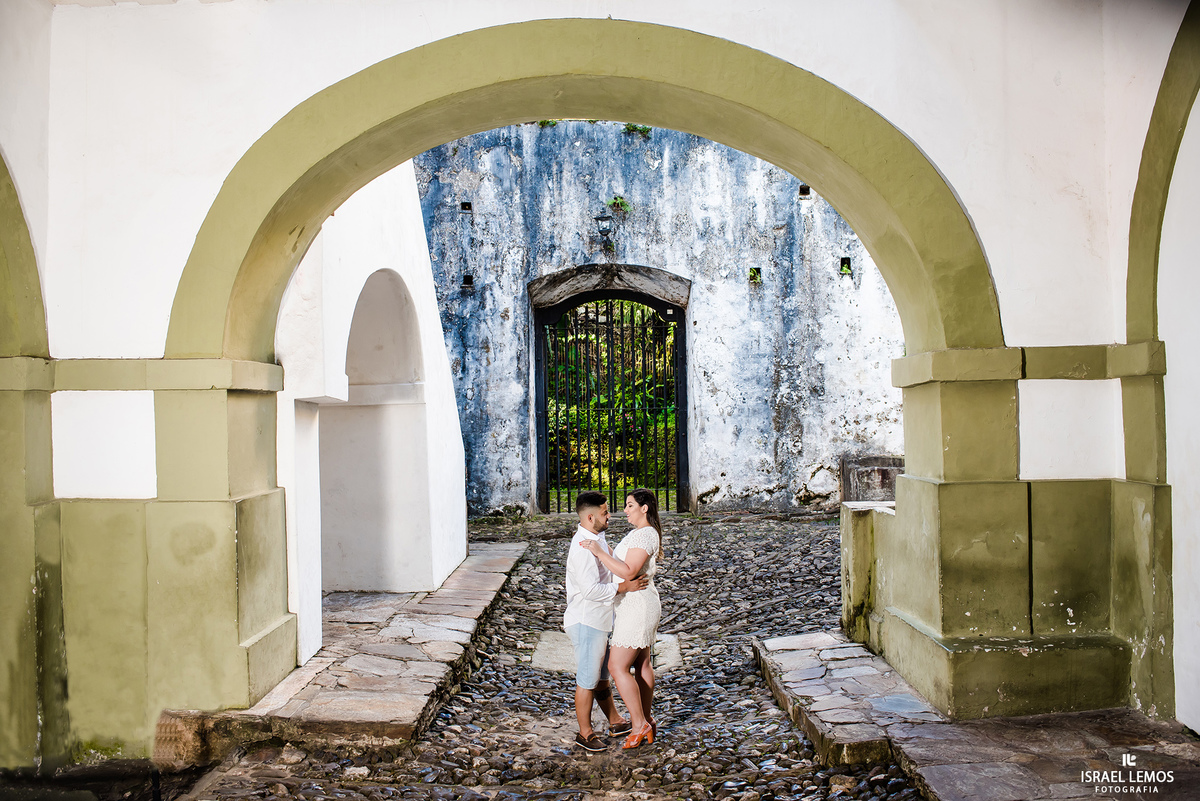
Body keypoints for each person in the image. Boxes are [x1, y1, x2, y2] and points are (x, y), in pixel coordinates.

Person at [564, 490, 649, 752]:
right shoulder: (583, 548)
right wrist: (624, 588)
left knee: (601, 677)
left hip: (601, 620)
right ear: (590, 517)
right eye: (604, 512)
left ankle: (614, 720)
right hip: (586, 620)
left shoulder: (596, 537)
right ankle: (585, 733)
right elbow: (590, 591)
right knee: (587, 679)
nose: (610, 515)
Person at [579, 488, 662, 749]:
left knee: (617, 667)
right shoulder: (638, 534)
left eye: (629, 505)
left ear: (644, 508)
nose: (624, 511)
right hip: (637, 604)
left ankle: (639, 725)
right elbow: (622, 559)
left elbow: (628, 571)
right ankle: (647, 719)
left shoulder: (646, 534)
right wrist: (601, 545)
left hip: (637, 605)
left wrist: (599, 553)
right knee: (642, 664)